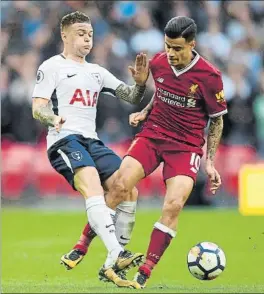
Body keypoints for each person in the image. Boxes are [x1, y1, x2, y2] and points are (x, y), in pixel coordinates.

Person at [62, 15, 228, 288]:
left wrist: (209, 162)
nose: (171, 54)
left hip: (185, 147)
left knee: (173, 205)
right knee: (118, 185)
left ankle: (145, 271)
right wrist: (144, 110)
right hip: (152, 135)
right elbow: (161, 91)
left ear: (192, 44)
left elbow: (217, 119)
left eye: (177, 48)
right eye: (167, 46)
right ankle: (82, 245)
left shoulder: (210, 76)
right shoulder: (158, 62)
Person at [31, 11, 149, 289]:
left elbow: (131, 96)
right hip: (64, 140)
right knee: (94, 188)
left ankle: (113, 264)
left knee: (129, 187)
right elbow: (38, 107)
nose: (87, 39)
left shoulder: (97, 72)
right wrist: (53, 118)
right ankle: (117, 253)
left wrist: (142, 83)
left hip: (91, 141)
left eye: (90, 34)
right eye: (81, 33)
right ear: (65, 35)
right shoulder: (52, 67)